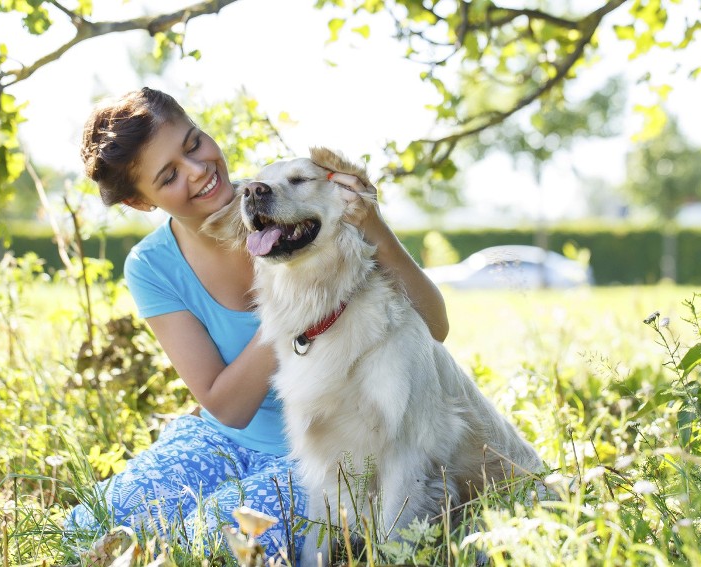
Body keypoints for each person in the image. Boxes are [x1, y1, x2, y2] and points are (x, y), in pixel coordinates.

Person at [67, 87, 449, 562]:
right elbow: (227, 407)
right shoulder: (152, 266)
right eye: (168, 176)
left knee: (208, 540)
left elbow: (435, 326)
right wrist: (299, 314)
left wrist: (372, 229)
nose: (199, 170)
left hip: (318, 450)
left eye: (193, 144)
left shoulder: (294, 201)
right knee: (87, 523)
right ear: (142, 203)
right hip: (220, 437)